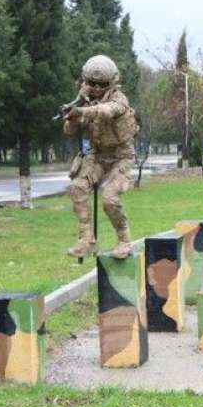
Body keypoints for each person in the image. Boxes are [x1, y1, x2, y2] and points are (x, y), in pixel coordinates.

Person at [64, 55, 139, 259]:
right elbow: (69, 130)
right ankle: (86, 239)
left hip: (121, 156)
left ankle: (124, 240)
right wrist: (72, 116)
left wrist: (82, 110)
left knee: (109, 198)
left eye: (102, 84)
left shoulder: (119, 99)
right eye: (91, 83)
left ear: (112, 83)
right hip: (97, 156)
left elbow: (106, 112)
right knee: (78, 188)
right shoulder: (83, 100)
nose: (97, 88)